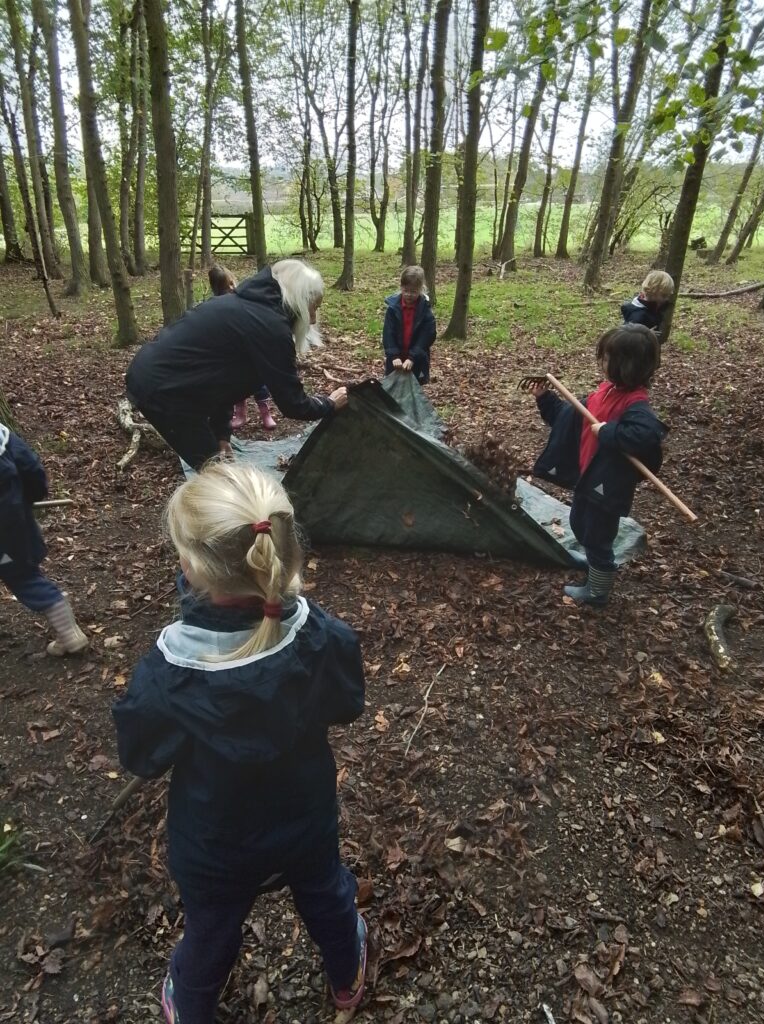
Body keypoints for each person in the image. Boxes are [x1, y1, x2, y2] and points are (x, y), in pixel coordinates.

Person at [112, 462, 368, 1023]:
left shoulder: (169, 672)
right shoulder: (318, 634)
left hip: (214, 841)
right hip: (306, 815)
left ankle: (193, 1005)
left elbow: (141, 755)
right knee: (326, 893)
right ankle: (346, 975)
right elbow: (348, 703)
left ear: (190, 567)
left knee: (211, 927)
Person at [126, 260, 347, 470]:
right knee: (215, 472)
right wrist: (328, 404)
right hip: (162, 388)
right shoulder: (269, 327)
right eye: (313, 308)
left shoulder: (248, 309)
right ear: (299, 300)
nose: (314, 319)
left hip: (164, 380)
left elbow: (223, 381)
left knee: (215, 461)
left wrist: (222, 435)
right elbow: (293, 404)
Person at [530, 325, 667, 606]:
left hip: (607, 486)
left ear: (626, 365)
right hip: (588, 479)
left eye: (607, 358)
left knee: (598, 536)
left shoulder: (635, 403)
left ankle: (597, 591)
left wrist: (608, 432)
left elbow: (647, 434)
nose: (601, 363)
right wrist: (545, 399)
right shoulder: (605, 392)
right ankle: (595, 566)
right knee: (580, 525)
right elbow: (569, 417)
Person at [0, 423, 88, 655]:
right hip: (14, 523)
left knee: (23, 577)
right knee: (23, 573)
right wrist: (32, 496)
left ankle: (69, 635)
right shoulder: (2, 435)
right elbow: (30, 466)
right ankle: (67, 631)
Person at [208, 264, 277, 432]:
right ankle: (241, 413)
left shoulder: (244, 299)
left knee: (259, 383)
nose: (231, 288)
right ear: (217, 289)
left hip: (250, 351)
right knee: (236, 384)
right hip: (231, 353)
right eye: (226, 287)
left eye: (232, 283)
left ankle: (266, 413)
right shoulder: (216, 305)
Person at [382, 265, 436, 385]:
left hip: (416, 360)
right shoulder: (393, 308)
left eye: (413, 292)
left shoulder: (425, 310)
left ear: (421, 289)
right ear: (401, 287)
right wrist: (393, 355)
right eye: (406, 291)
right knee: (392, 389)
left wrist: (413, 357)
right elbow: (388, 333)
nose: (409, 295)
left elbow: (426, 337)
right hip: (395, 359)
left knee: (414, 391)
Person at [620, 270, 675, 334]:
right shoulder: (637, 315)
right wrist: (647, 334)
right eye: (664, 295)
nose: (667, 299)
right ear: (652, 291)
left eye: (668, 295)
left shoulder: (655, 304)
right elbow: (628, 335)